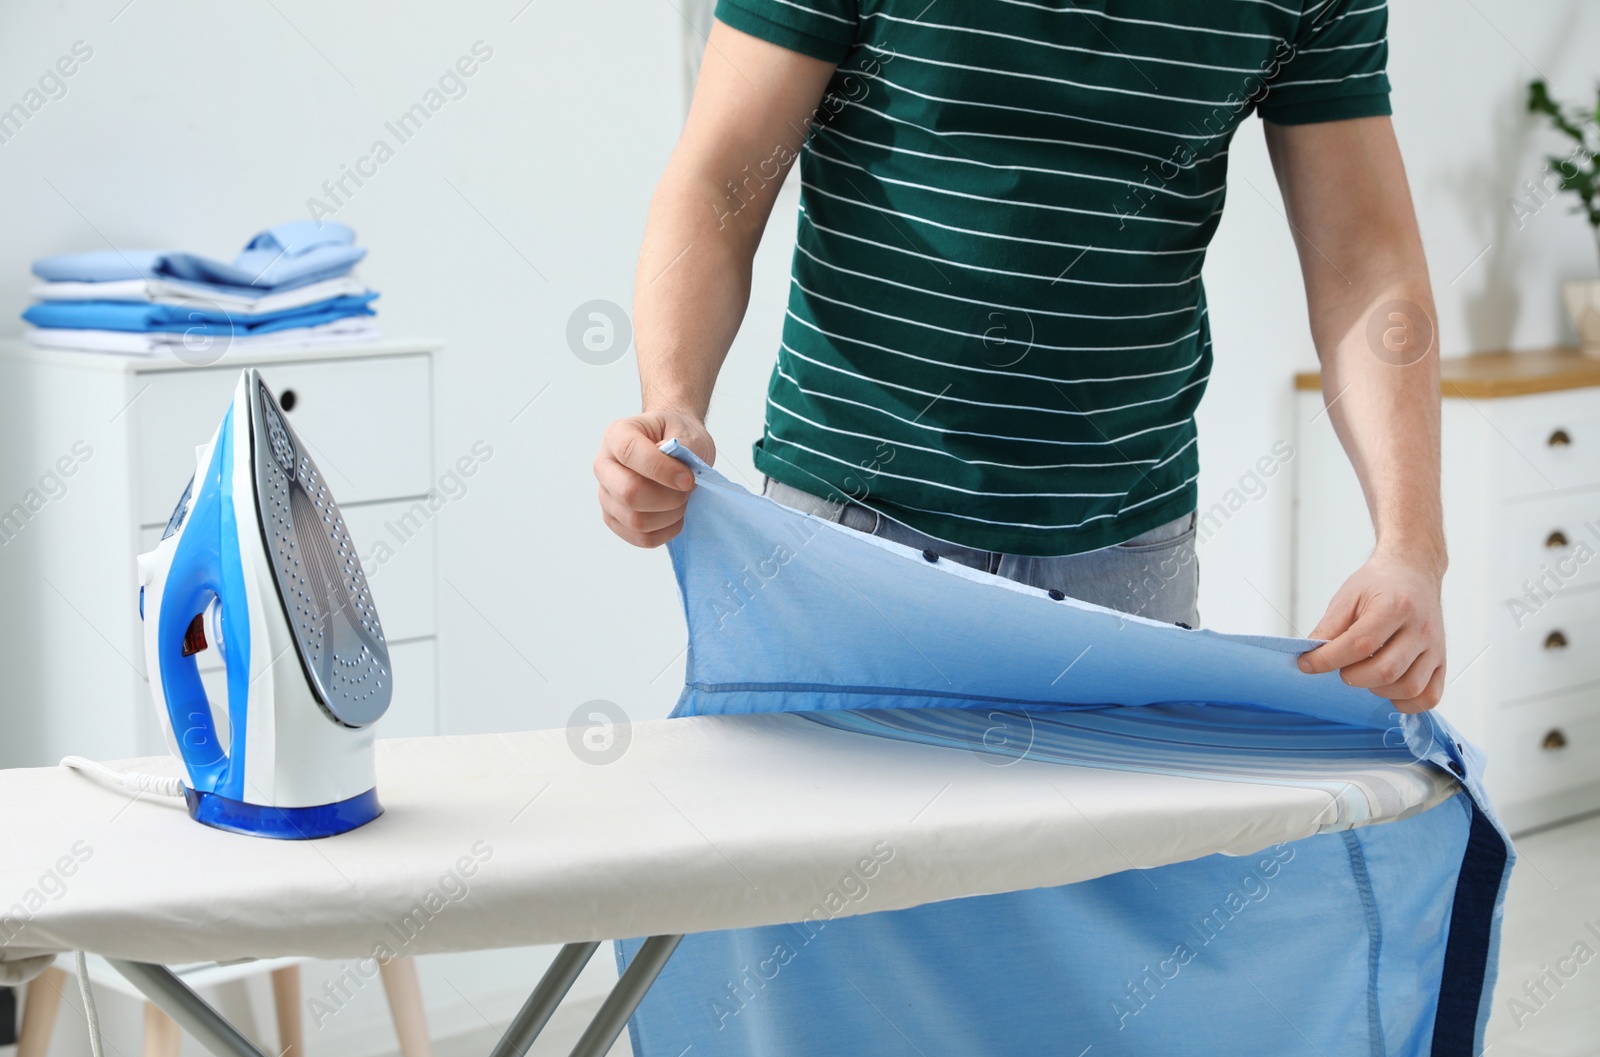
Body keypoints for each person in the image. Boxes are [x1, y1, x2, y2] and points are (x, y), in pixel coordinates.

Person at [593, 0, 1445, 713]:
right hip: (849, 536)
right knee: (809, 897)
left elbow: (1367, 262)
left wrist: (1411, 545)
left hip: (1125, 554)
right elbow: (721, 178)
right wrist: (673, 399)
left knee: (1099, 901)